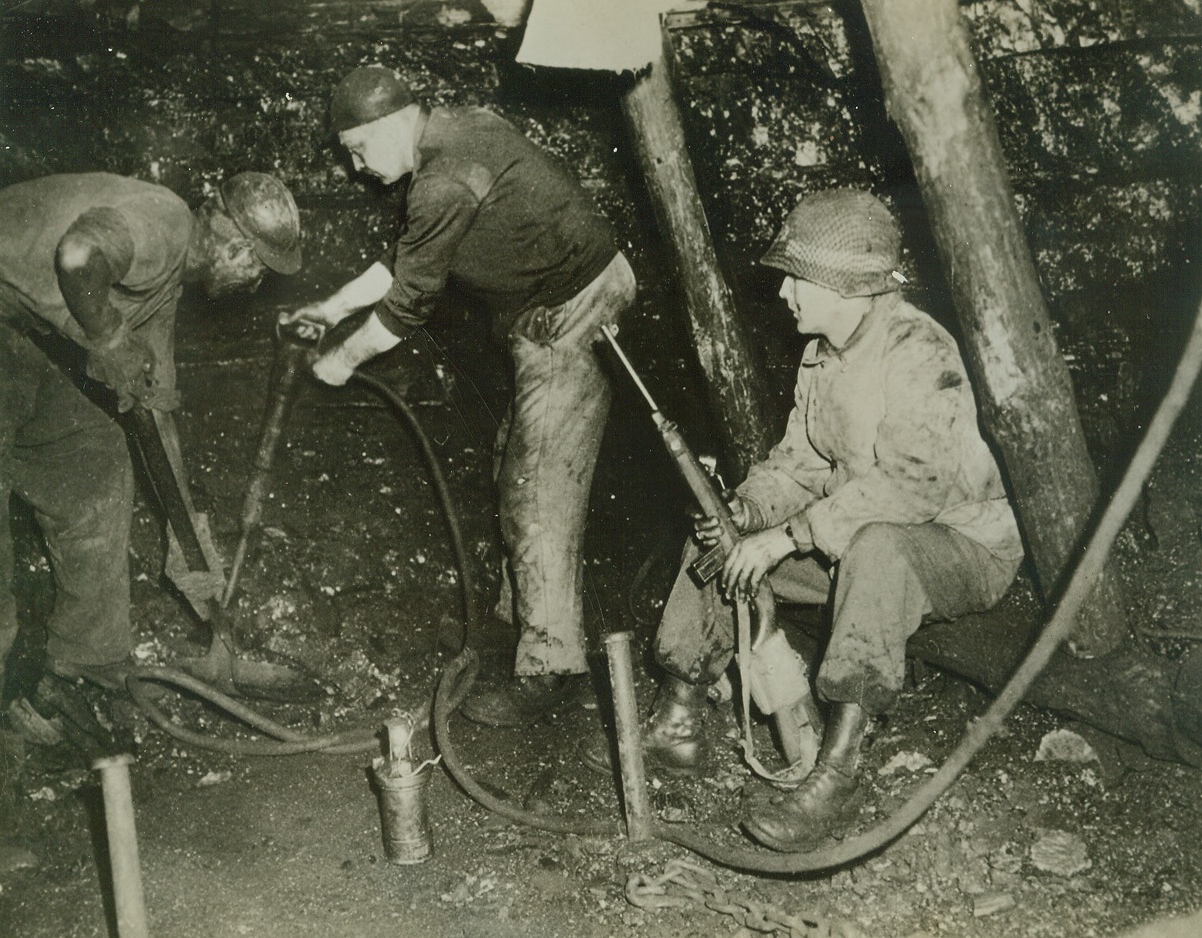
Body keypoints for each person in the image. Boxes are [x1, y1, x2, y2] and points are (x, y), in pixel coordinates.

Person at [598, 188, 1023, 853]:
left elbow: (915, 486)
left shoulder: (919, 350)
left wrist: (788, 537)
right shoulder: (823, 351)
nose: (785, 294)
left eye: (799, 279)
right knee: (717, 540)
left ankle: (839, 768)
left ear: (850, 287)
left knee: (879, 550)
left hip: (960, 546)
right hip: (854, 535)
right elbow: (797, 461)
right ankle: (681, 715)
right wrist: (744, 511)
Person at [281, 66, 636, 726]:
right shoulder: (457, 129)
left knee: (538, 487)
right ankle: (518, 616)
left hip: (577, 305)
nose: (357, 168)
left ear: (390, 124)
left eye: (358, 149)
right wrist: (330, 309)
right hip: (550, 302)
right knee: (517, 464)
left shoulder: (440, 180)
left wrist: (342, 358)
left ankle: (551, 666)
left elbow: (408, 304)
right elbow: (413, 256)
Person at [0, 170, 302, 719]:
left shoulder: (164, 292)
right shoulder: (163, 224)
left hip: (28, 336)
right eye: (258, 268)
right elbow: (78, 253)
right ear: (233, 247)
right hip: (3, 317)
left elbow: (154, 415)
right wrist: (110, 338)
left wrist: (193, 555)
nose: (255, 283)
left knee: (95, 462)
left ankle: (88, 656)